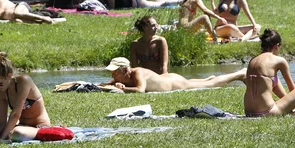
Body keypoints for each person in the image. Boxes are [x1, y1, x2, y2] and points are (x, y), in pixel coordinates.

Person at [100, 57, 246, 93]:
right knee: (199, 82)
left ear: (125, 70)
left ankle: (239, 73)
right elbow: (105, 85)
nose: (113, 75)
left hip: (175, 83)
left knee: (209, 85)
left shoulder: (138, 73)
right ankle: (209, 77)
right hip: (168, 78)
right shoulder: (122, 77)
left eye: (115, 72)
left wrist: (123, 89)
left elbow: (140, 90)